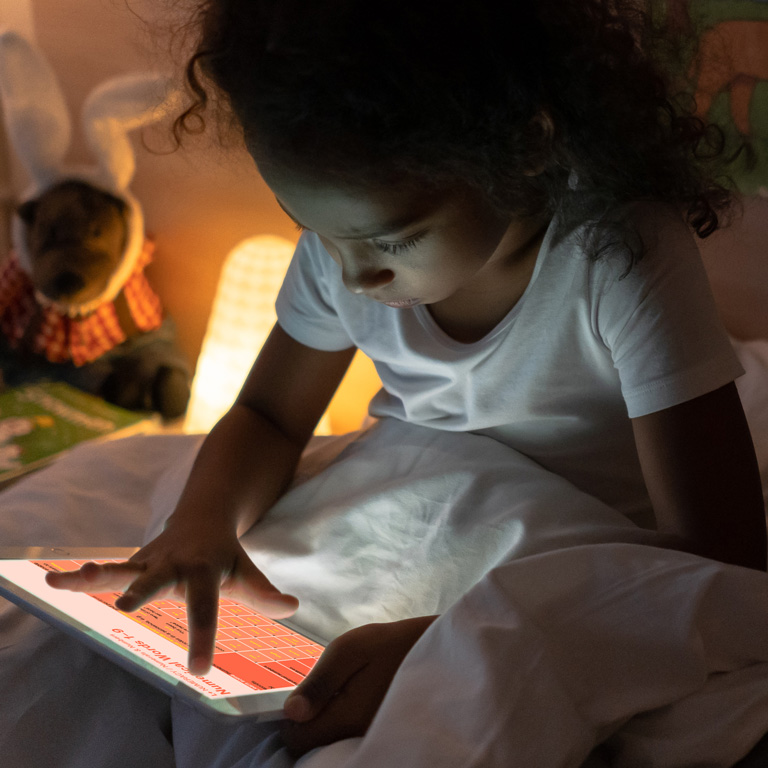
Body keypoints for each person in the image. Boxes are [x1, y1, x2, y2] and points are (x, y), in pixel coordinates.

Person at [46, 0, 767, 757]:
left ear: (526, 146)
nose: (353, 274)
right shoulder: (344, 255)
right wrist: (201, 526)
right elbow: (267, 414)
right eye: (315, 231)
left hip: (566, 539)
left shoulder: (621, 254)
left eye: (391, 237)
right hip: (410, 495)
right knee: (191, 613)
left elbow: (720, 560)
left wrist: (438, 646)